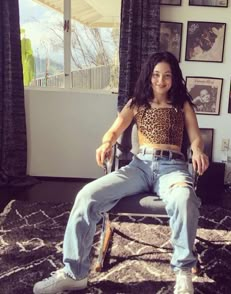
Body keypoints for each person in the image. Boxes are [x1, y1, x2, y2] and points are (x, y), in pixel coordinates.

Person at [33, 51, 209, 294]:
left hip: (172, 168)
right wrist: (106, 143)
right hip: (139, 167)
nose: (161, 81)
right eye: (156, 75)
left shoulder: (182, 104)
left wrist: (198, 151)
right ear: (149, 76)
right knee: (87, 195)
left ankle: (182, 273)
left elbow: (196, 137)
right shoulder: (136, 102)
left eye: (167, 76)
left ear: (174, 78)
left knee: (184, 198)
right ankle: (74, 274)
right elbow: (114, 131)